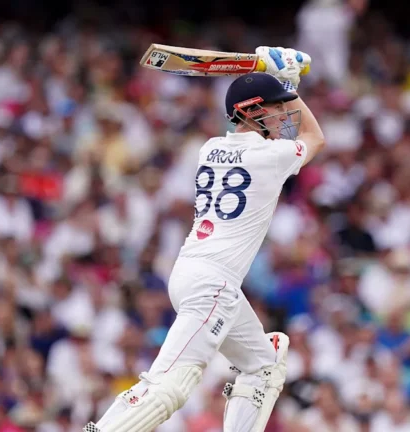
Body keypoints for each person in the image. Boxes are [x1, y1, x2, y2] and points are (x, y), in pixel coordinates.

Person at [84, 46, 325, 432]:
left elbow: (279, 131)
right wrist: (290, 85)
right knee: (171, 386)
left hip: (190, 274)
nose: (285, 115)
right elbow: (315, 137)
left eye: (284, 106)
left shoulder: (209, 149)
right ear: (250, 111)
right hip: (213, 285)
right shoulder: (270, 157)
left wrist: (281, 84)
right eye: (277, 107)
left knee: (265, 363)